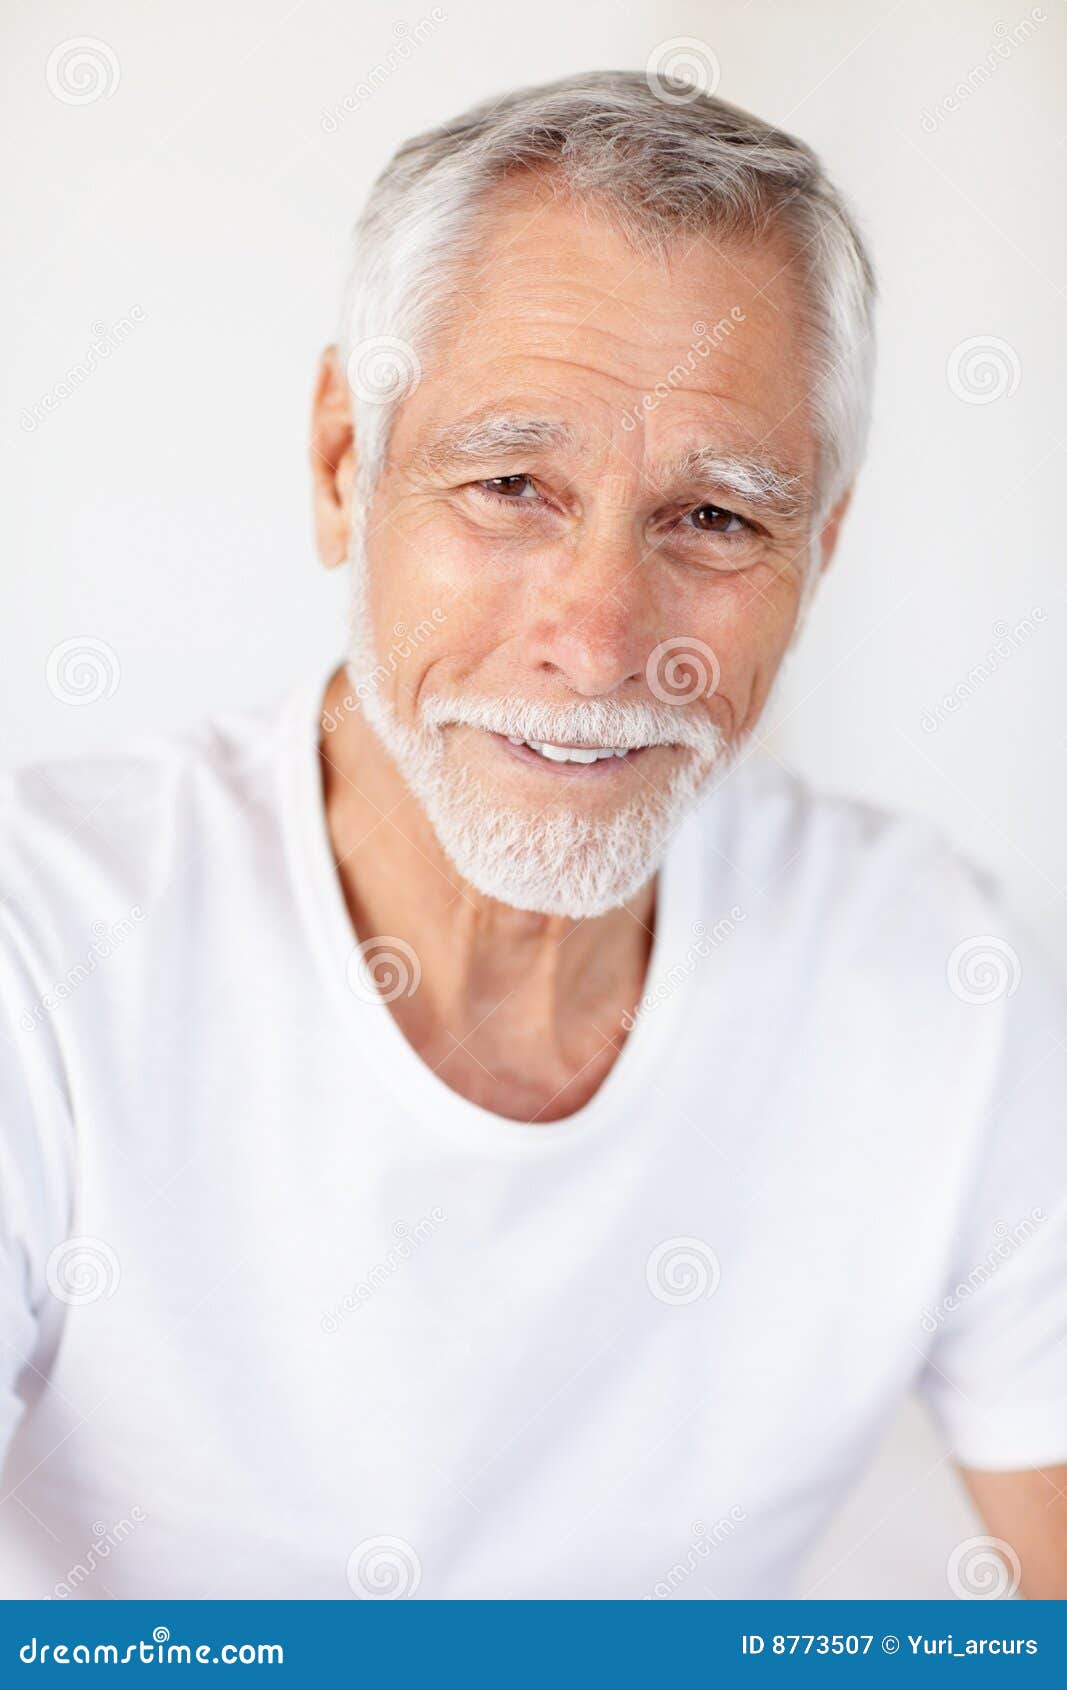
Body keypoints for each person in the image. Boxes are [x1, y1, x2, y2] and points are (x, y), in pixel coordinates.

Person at [1, 72, 1064, 1601]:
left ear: (820, 549)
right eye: (512, 486)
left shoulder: (949, 987)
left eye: (716, 518)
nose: (602, 638)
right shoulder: (42, 954)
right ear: (340, 467)